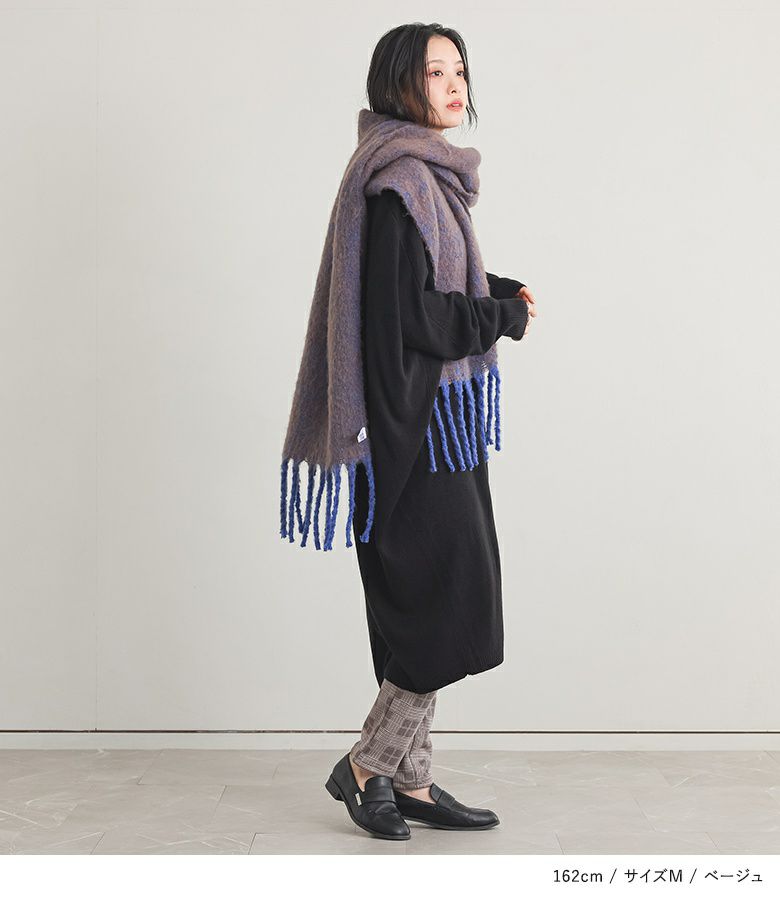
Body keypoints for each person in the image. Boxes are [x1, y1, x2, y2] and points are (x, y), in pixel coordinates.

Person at [280, 23, 537, 841]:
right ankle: (367, 765)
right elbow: (414, 317)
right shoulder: (400, 184)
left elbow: (421, 284)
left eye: (460, 70)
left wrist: (497, 290)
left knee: (429, 606)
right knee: (443, 610)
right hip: (411, 430)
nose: (455, 85)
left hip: (432, 422)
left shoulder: (422, 177)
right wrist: (499, 317)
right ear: (400, 82)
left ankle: (412, 779)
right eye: (435, 72)